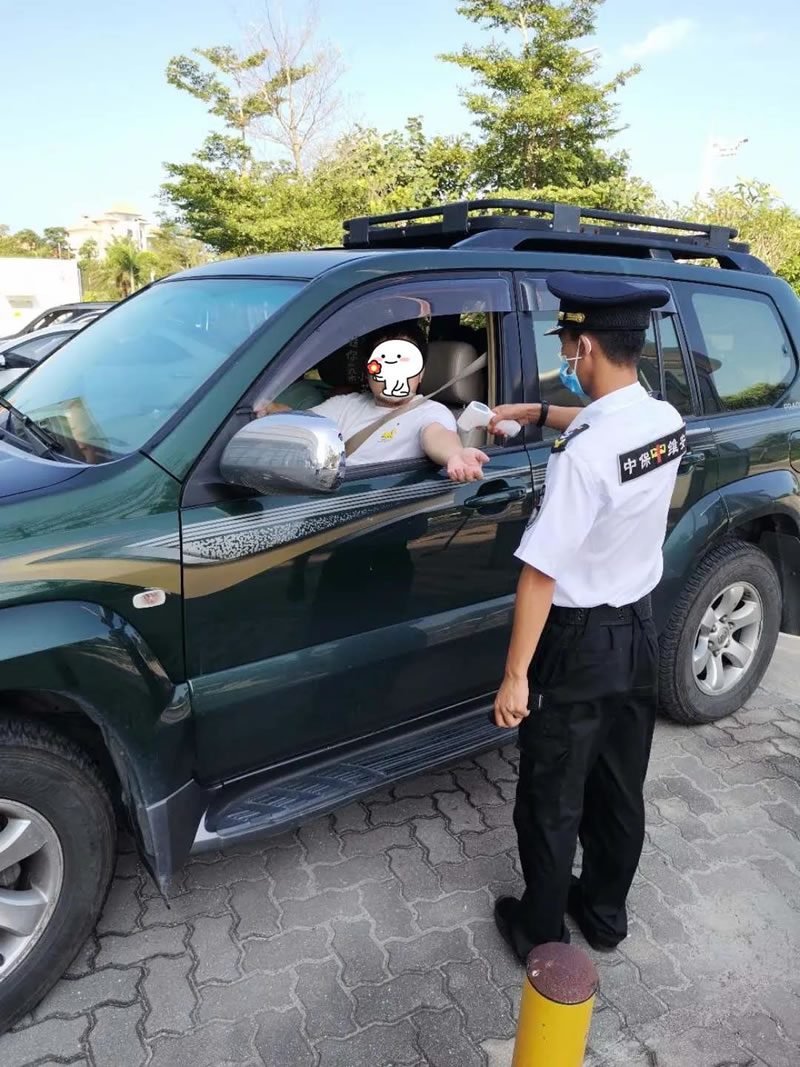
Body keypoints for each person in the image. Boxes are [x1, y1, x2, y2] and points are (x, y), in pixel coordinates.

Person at [489, 272, 686, 960]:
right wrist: (538, 411)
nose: (564, 357)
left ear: (587, 348)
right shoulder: (662, 420)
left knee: (552, 794)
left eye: (566, 346)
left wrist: (516, 675)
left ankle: (539, 930)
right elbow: (602, 424)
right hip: (638, 631)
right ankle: (604, 916)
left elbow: (540, 572)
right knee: (618, 787)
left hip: (577, 644)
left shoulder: (582, 458)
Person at [309, 324, 489, 483]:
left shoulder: (432, 412)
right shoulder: (345, 404)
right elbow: (300, 424)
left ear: (420, 373)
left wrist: (455, 455)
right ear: (370, 370)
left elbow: (438, 435)